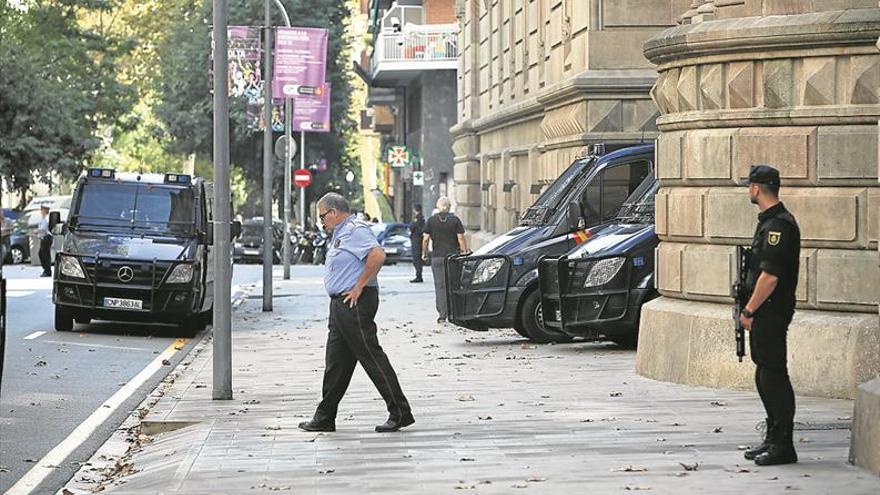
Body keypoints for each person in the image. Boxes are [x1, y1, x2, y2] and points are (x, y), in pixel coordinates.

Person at [299, 193, 414, 433]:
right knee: (336, 363)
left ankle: (400, 411)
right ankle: (324, 417)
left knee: (371, 356)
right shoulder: (340, 233)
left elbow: (377, 255)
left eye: (322, 216)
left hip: (355, 304)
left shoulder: (354, 229)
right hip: (340, 305)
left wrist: (359, 285)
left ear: (333, 212)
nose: (321, 222)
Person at [738, 165, 801, 466]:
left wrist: (750, 308)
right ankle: (774, 438)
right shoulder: (769, 222)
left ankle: (784, 444)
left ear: (757, 189)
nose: (747, 190)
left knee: (773, 374)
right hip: (766, 311)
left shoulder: (779, 226)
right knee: (765, 372)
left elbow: (770, 276)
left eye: (749, 185)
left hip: (771, 311)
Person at [422, 196, 467, 323]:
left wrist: (424, 253)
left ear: (437, 206)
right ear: (449, 207)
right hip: (452, 257)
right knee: (453, 284)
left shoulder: (431, 221)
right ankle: (454, 313)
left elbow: (425, 239)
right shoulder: (455, 220)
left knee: (440, 285)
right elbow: (461, 238)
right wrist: (464, 252)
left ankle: (442, 314)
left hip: (437, 257)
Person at [409, 204, 425, 283]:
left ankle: (418, 276)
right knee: (417, 259)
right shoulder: (421, 218)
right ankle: (418, 275)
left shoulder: (418, 219)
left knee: (416, 259)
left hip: (417, 240)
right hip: (417, 240)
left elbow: (411, 227)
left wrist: (413, 223)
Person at [37, 205, 52, 277]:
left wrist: (36, 231)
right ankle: (46, 269)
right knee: (42, 254)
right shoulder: (43, 218)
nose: (41, 211)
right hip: (43, 238)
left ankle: (47, 270)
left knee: (44, 255)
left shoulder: (46, 218)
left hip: (46, 238)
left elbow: (44, 228)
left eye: (42, 209)